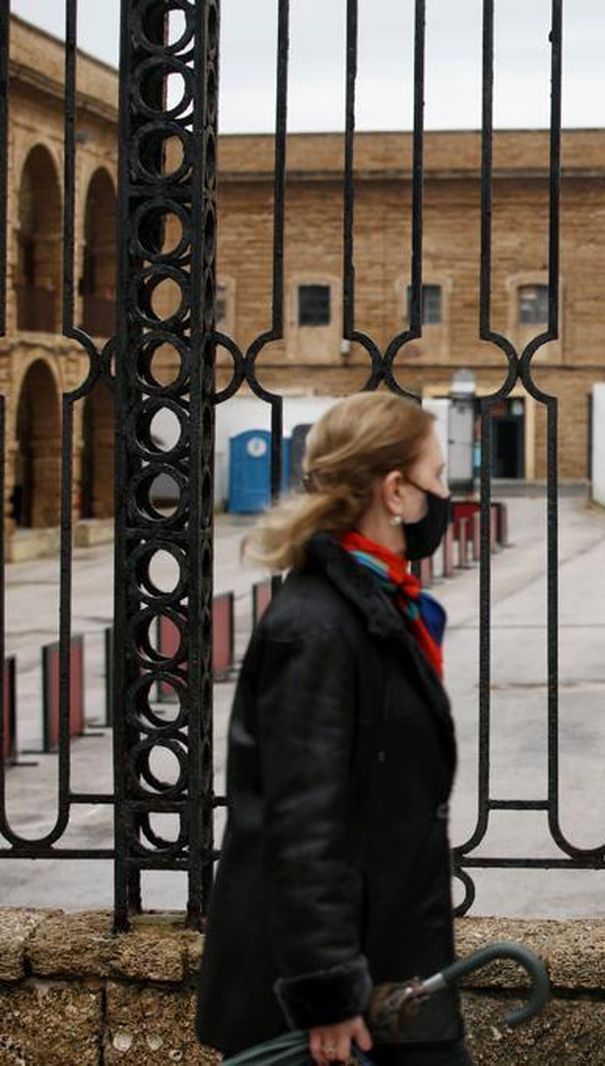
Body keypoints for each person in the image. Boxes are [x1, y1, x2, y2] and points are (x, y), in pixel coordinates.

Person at [197, 392, 467, 1065]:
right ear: (396, 492)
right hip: (334, 997)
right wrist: (328, 991)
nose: (446, 494)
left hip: (387, 963)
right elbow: (302, 820)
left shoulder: (374, 607)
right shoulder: (319, 627)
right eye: (437, 476)